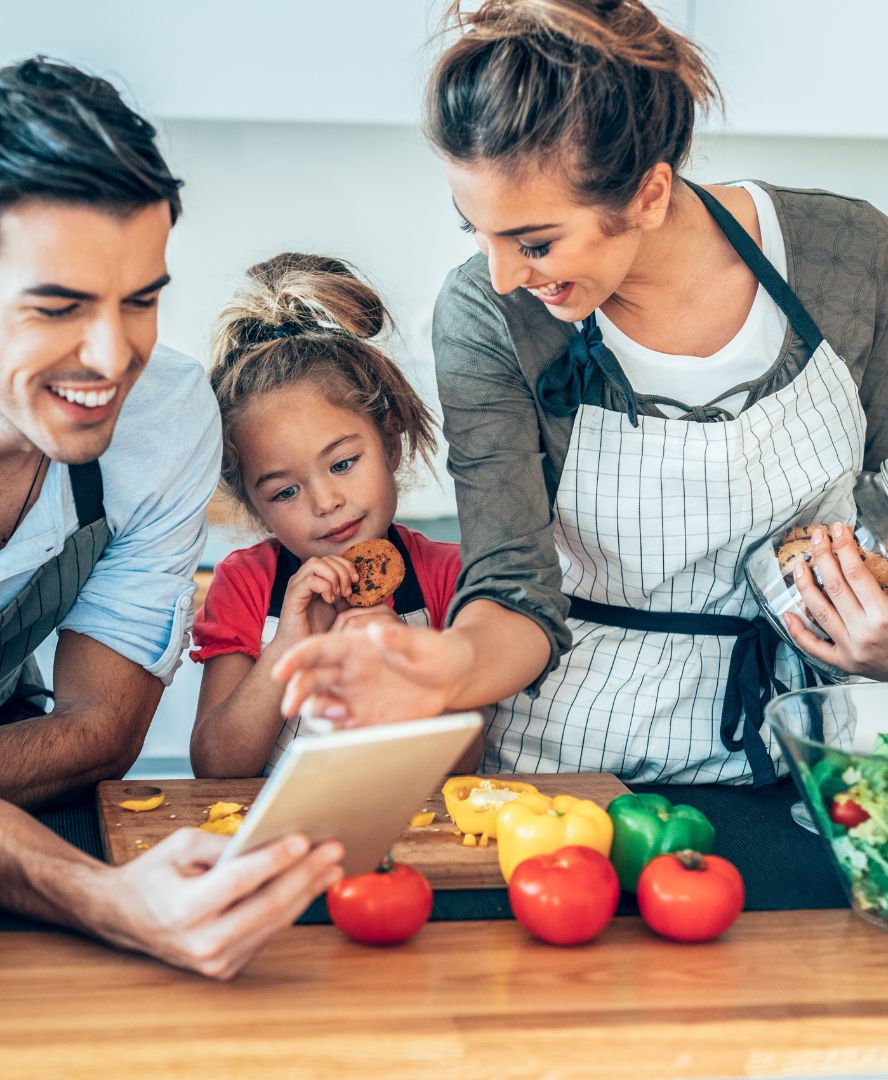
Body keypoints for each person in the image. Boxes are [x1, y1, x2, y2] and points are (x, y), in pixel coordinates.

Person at [0, 58, 341, 979]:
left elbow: (101, 729)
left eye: (141, 300)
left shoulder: (170, 419)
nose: (112, 356)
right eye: (58, 307)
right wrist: (115, 903)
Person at [273, 0, 888, 786]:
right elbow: (514, 589)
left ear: (649, 195)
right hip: (575, 762)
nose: (501, 276)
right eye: (475, 230)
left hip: (814, 746)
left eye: (534, 243)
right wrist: (447, 666)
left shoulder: (850, 256)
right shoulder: (486, 315)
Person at [189, 253, 472, 777]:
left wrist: (414, 665)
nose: (325, 502)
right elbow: (215, 766)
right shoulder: (246, 584)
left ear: (389, 440)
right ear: (254, 506)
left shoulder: (448, 575)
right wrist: (287, 649)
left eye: (343, 463)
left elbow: (466, 764)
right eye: (285, 492)